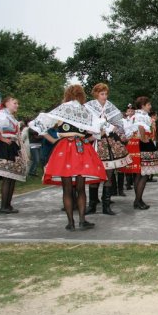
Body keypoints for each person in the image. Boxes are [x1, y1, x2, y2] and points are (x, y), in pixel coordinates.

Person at [30, 84, 106, 231]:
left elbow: (39, 125)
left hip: (64, 148)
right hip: (81, 148)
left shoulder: (62, 109)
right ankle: (82, 220)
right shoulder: (85, 111)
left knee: (67, 189)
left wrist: (52, 139)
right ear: (81, 95)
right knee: (81, 187)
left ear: (67, 94)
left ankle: (70, 223)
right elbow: (97, 129)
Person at [85, 83, 131, 216]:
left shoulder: (110, 107)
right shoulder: (89, 107)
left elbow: (118, 123)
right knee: (94, 174)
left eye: (105, 93)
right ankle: (92, 205)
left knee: (109, 173)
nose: (104, 96)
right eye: (102, 94)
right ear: (96, 94)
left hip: (109, 142)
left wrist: (111, 129)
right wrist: (96, 132)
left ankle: (106, 205)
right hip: (94, 142)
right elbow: (85, 125)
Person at [125, 96, 158, 210]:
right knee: (144, 174)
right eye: (148, 105)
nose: (150, 106)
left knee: (139, 174)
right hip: (142, 143)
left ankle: (138, 200)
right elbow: (140, 127)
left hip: (135, 143)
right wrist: (144, 139)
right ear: (143, 106)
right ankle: (138, 200)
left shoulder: (136, 115)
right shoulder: (141, 116)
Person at [119, 104, 137, 191]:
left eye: (132, 111)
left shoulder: (135, 119)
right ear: (126, 112)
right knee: (127, 162)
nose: (130, 112)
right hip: (125, 142)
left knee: (132, 161)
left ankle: (131, 182)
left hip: (132, 141)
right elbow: (122, 130)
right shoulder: (123, 120)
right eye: (129, 111)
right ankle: (127, 183)